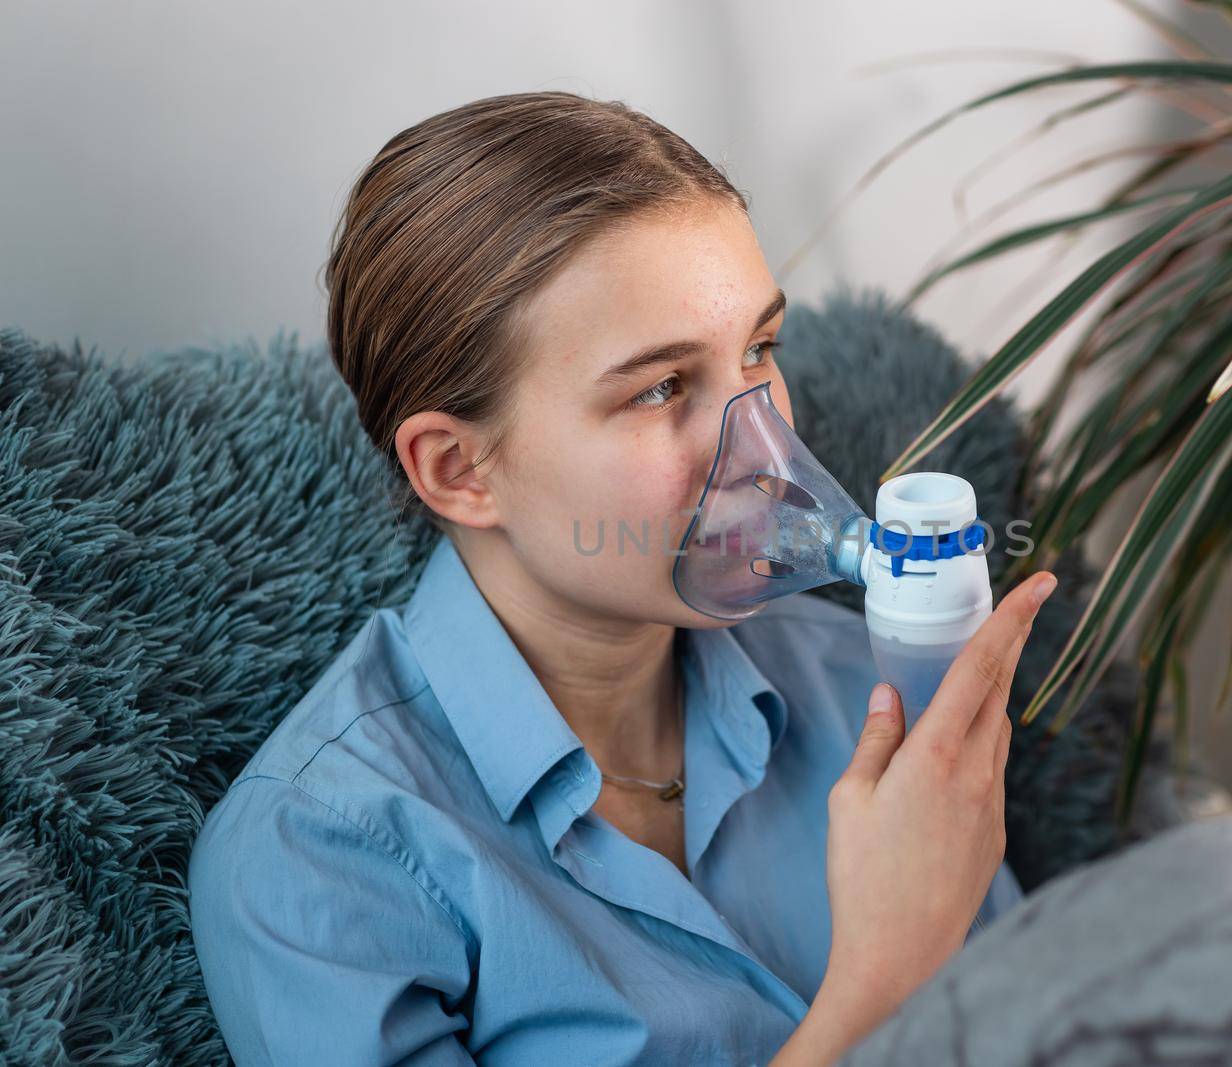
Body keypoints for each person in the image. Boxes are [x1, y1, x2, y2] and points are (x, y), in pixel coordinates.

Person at [185, 89, 1058, 1066]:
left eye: (760, 349)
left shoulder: (862, 682)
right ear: (457, 470)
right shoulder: (321, 860)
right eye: (659, 387)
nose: (766, 450)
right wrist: (880, 981)